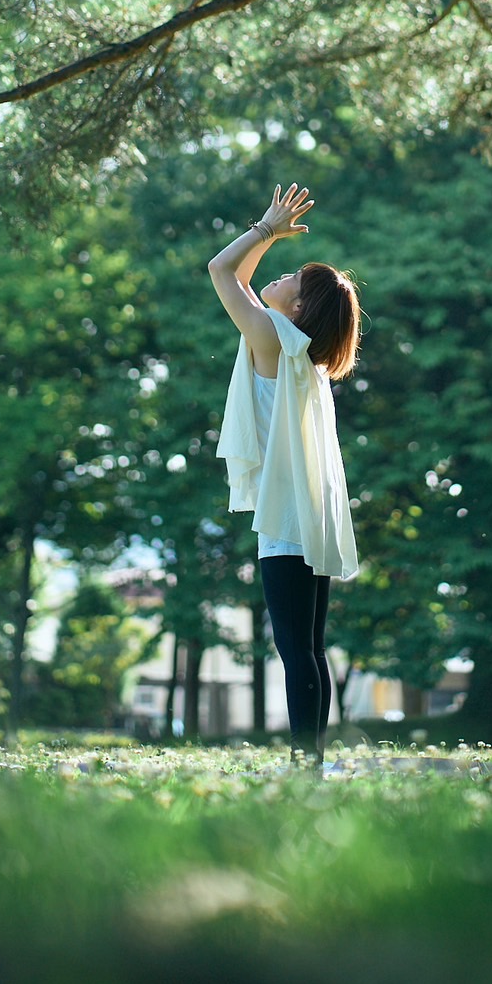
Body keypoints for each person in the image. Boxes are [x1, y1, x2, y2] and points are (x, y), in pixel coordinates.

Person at [208, 182, 361, 768]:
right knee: (310, 649)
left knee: (296, 649)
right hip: (308, 513)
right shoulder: (294, 347)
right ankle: (312, 759)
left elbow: (224, 273)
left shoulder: (274, 337)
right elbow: (242, 283)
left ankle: (307, 763)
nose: (276, 277)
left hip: (289, 520)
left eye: (289, 279)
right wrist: (266, 235)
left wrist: (266, 230)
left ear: (297, 307)